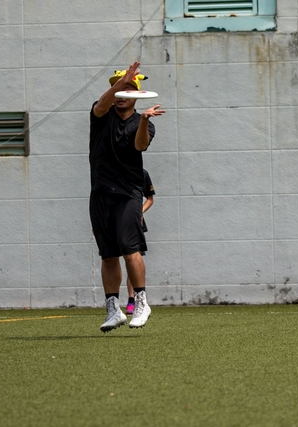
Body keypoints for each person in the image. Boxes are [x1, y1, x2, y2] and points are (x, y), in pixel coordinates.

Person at [89, 61, 165, 332]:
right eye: (118, 90)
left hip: (129, 194)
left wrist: (144, 120)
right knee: (108, 255)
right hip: (100, 194)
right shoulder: (100, 114)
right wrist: (120, 83)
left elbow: (140, 145)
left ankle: (141, 302)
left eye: (127, 90)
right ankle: (113, 309)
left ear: (137, 96)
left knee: (129, 247)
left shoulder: (143, 122)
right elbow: (102, 104)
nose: (121, 95)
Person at [125, 169, 155, 314]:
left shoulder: (141, 173)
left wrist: (138, 212)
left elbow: (150, 199)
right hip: (115, 222)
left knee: (133, 260)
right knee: (111, 259)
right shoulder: (111, 171)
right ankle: (113, 301)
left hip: (134, 223)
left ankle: (133, 300)